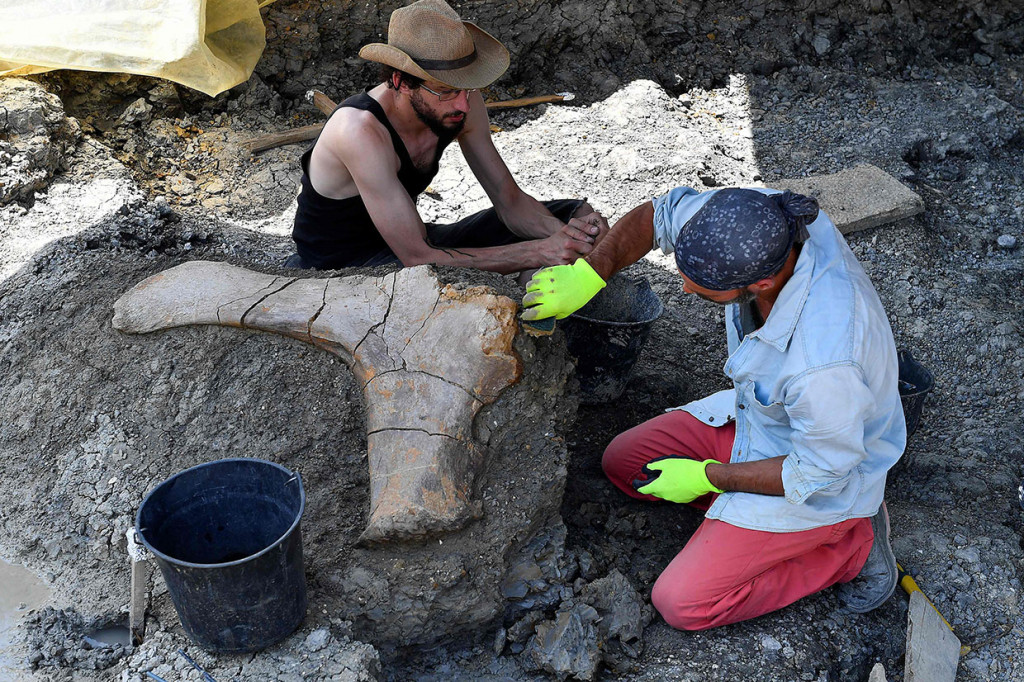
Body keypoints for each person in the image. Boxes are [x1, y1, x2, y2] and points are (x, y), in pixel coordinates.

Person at [522, 186, 906, 629]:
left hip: (825, 476)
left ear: (762, 282)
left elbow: (819, 470)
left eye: (704, 289)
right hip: (767, 419)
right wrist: (590, 274)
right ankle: (741, 523)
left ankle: (851, 547)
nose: (683, 286)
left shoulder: (823, 363)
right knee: (624, 464)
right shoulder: (756, 218)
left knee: (681, 603)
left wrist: (707, 476)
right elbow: (658, 215)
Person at [286, 0, 607, 273]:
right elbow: (418, 257)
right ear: (400, 81)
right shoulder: (358, 130)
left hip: (414, 239)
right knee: (522, 271)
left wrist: (564, 234)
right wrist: (539, 252)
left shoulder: (461, 102)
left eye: (467, 87)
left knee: (579, 215)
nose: (463, 103)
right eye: (446, 91)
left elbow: (509, 200)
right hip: (346, 265)